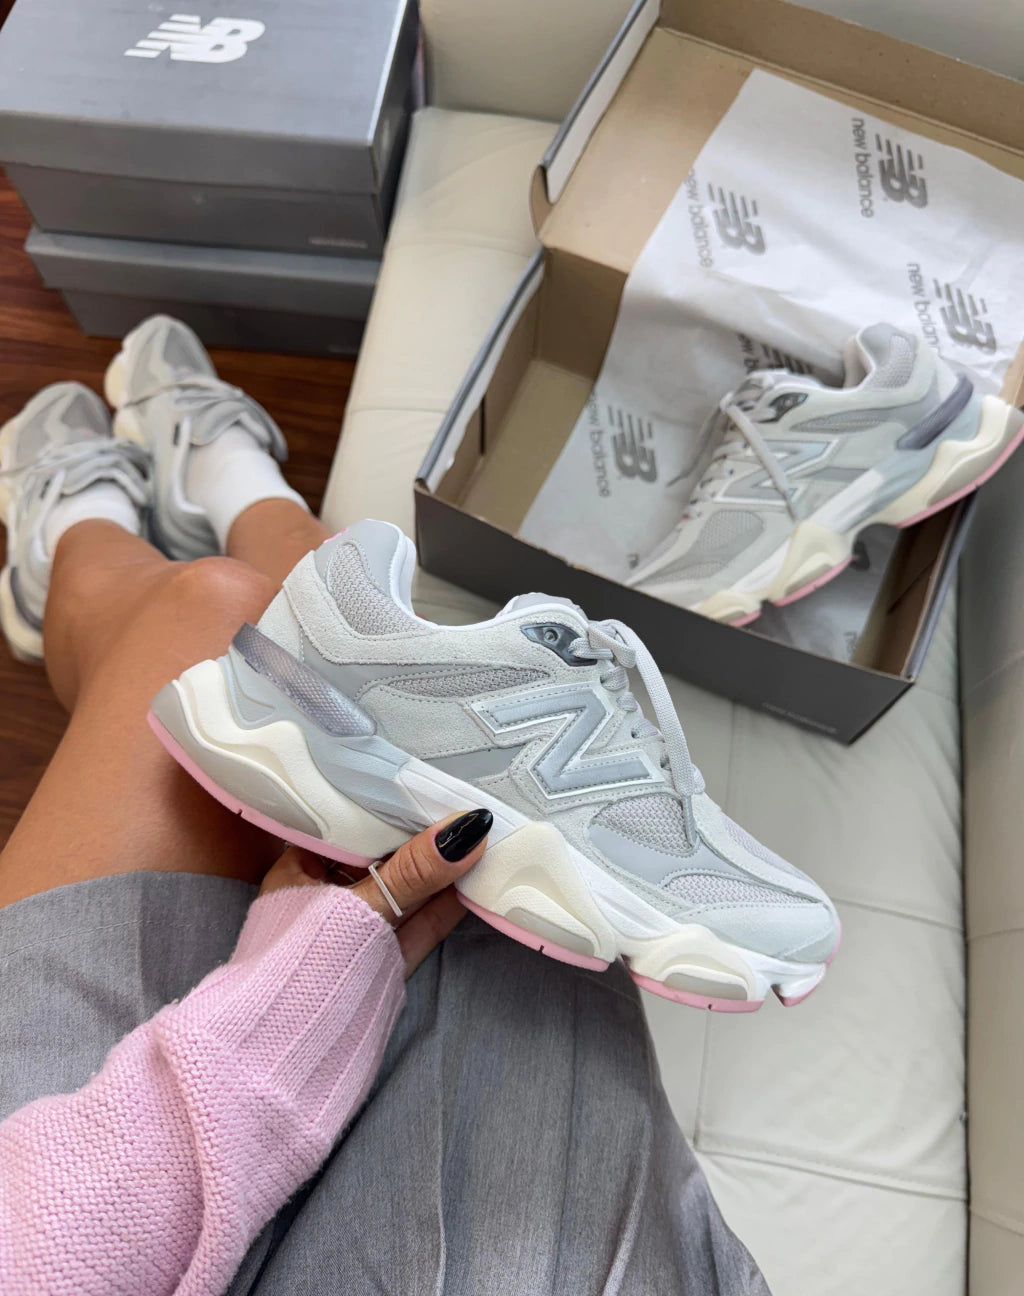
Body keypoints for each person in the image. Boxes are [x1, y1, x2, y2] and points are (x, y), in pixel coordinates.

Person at [0, 317, 769, 1295]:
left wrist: (275, 1024)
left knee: (213, 611)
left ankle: (74, 536)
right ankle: (225, 481)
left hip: (68, 1210)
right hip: (569, 1230)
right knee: (313, 625)